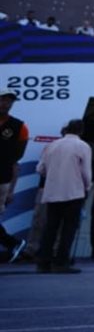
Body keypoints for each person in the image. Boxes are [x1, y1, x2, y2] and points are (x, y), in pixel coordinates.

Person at [36, 119, 91, 272]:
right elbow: (86, 173)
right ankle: (61, 263)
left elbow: (40, 169)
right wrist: (87, 186)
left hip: (52, 192)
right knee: (68, 228)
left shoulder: (51, 145)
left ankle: (43, 262)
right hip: (73, 193)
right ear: (81, 130)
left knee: (50, 228)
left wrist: (53, 174)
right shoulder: (83, 146)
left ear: (67, 129)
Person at [0, 90, 30, 262]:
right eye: (3, 100)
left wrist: (11, 189)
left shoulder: (20, 127)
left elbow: (16, 159)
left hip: (2, 179)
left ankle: (13, 244)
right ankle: (13, 243)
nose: (6, 104)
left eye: (9, 101)